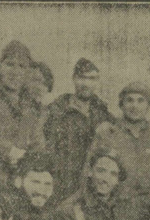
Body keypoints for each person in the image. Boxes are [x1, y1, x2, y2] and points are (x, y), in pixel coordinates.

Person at [88, 81, 150, 220]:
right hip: (112, 213)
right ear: (121, 105)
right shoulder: (107, 134)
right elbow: (89, 173)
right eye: (129, 100)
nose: (135, 106)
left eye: (141, 101)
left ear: (148, 105)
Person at [44, 58, 115, 204]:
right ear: (74, 79)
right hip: (62, 185)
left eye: (92, 79)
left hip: (92, 187)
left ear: (97, 82)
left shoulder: (104, 115)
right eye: (82, 78)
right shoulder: (57, 111)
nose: (86, 84)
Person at [0, 40, 45, 191]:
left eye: (21, 66)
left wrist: (28, 159)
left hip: (20, 177)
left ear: (28, 72)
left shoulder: (32, 107)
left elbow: (38, 146)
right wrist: (8, 150)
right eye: (10, 64)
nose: (15, 72)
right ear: (0, 67)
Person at [8, 152, 57, 220]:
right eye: (36, 182)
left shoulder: (51, 217)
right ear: (19, 181)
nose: (41, 191)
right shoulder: (6, 215)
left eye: (47, 184)